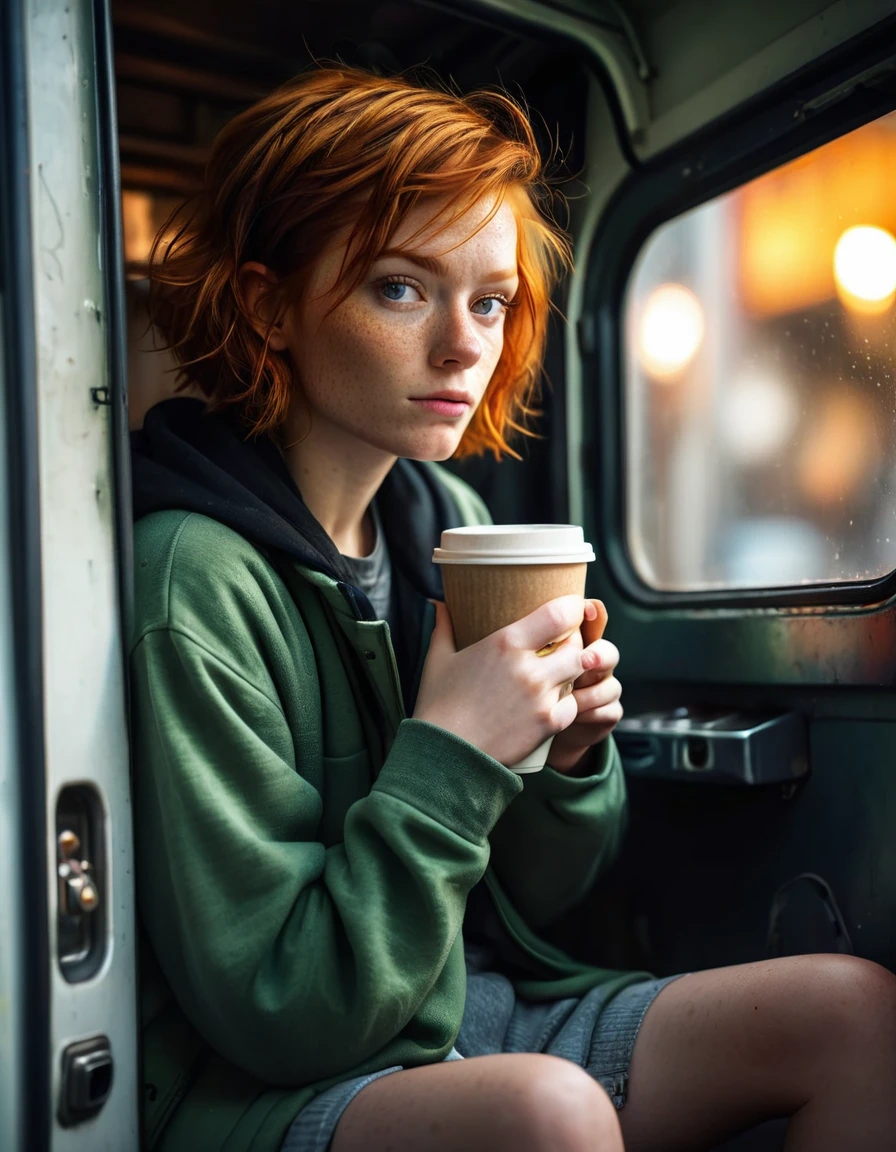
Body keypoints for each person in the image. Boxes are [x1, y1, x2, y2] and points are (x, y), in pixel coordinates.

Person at [130, 65, 896, 1152]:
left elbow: (546, 894)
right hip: (267, 1084)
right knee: (547, 1112)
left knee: (855, 1011)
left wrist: (562, 759)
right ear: (267, 306)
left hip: (463, 1007)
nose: (464, 344)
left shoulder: (442, 514)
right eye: (401, 287)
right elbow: (286, 1009)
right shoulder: (191, 581)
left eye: (488, 300)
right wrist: (453, 750)